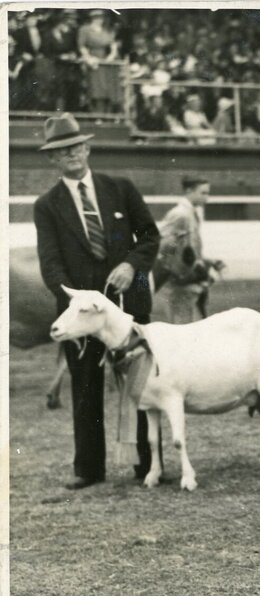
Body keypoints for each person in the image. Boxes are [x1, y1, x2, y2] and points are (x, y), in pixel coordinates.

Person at [34, 113, 160, 489]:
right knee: (87, 386)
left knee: (139, 385)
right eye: (62, 151)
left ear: (87, 148)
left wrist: (130, 265)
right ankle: (89, 469)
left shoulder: (120, 188)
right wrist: (77, 302)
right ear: (52, 158)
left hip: (128, 307)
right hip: (82, 317)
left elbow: (150, 237)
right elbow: (50, 264)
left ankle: (147, 465)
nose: (71, 154)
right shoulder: (47, 205)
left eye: (76, 146)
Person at [154, 176, 221, 319]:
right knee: (182, 324)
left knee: (193, 321)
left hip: (190, 279)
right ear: (189, 191)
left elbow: (188, 246)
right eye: (203, 193)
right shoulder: (180, 214)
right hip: (180, 282)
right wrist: (176, 268)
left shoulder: (190, 213)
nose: (207, 197)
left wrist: (205, 261)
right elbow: (162, 243)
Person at [77, 9, 119, 114]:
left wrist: (111, 56)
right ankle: (95, 112)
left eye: (101, 18)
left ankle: (106, 113)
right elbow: (81, 46)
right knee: (95, 88)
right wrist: (88, 58)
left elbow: (113, 45)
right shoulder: (85, 29)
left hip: (105, 61)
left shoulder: (105, 31)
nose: (99, 20)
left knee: (106, 88)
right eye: (96, 18)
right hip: (93, 60)